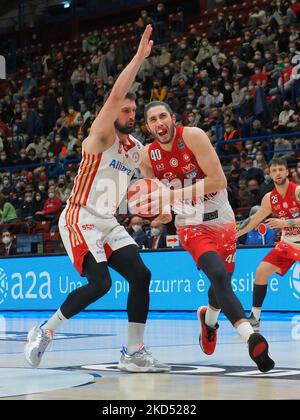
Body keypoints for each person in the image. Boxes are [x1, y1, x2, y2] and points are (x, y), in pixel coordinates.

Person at [24, 26, 169, 374]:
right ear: (114, 110)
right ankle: (45, 332)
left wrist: (160, 206)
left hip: (107, 221)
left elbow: (152, 183)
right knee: (101, 283)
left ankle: (133, 352)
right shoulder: (101, 134)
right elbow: (118, 93)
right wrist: (138, 59)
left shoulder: (136, 149)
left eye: (134, 112)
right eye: (126, 109)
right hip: (79, 215)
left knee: (141, 275)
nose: (130, 114)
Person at [139, 100, 275, 372]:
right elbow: (155, 193)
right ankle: (251, 337)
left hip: (222, 218)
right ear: (148, 127)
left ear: (173, 118)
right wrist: (164, 210)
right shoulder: (146, 156)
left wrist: (171, 196)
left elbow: (218, 181)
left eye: (163, 116)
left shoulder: (193, 136)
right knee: (219, 275)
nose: (159, 123)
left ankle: (209, 320)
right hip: (190, 223)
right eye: (153, 119)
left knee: (220, 284)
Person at [236, 157, 300, 331]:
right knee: (261, 271)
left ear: (287, 172)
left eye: (281, 169)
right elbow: (253, 220)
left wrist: (285, 223)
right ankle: (255, 317)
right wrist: (233, 235)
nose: (278, 173)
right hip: (288, 244)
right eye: (274, 170)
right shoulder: (269, 198)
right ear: (269, 174)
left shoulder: (298, 191)